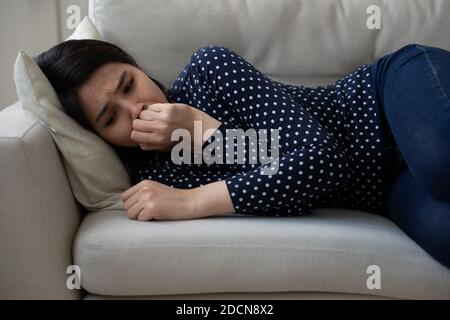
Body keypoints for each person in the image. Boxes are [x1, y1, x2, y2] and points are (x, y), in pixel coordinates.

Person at [36, 40, 450, 268]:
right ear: (100, 138)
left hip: (384, 98)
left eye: (129, 85)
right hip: (384, 190)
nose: (136, 110)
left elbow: (323, 157)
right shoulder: (162, 180)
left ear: (137, 66)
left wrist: (200, 147)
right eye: (111, 118)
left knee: (440, 158)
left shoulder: (207, 71)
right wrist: (198, 148)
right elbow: (312, 179)